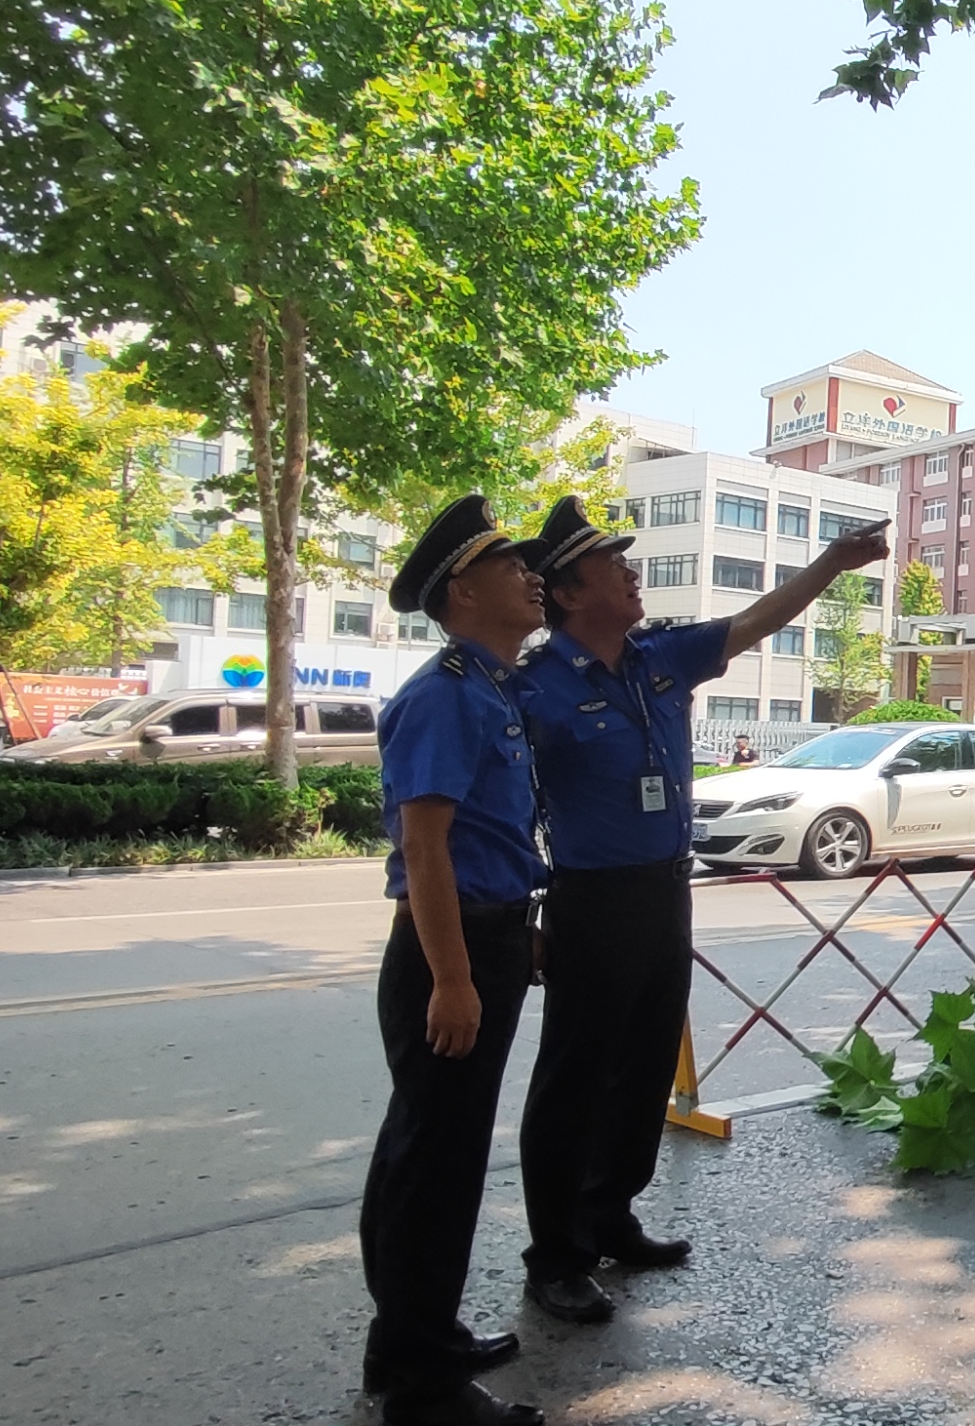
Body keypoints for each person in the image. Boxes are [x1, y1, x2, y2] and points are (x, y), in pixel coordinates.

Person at [510, 496, 889, 1325]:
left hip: (662, 889)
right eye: (614, 565)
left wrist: (834, 563)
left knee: (645, 1061)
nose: (633, 573)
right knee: (575, 1078)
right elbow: (508, 802)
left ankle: (611, 1214)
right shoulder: (533, 690)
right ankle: (557, 1255)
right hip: (589, 897)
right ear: (570, 594)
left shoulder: (659, 657)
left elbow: (760, 619)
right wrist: (526, 911)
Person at [359, 496, 549, 1426]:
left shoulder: (489, 687)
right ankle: (423, 1385)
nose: (533, 578)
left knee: (434, 1150)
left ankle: (408, 1336)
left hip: (491, 933)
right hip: (452, 947)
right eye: (514, 568)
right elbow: (423, 851)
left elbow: (485, 838)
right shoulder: (443, 695)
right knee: (433, 1161)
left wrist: (518, 928)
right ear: (465, 591)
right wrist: (455, 977)